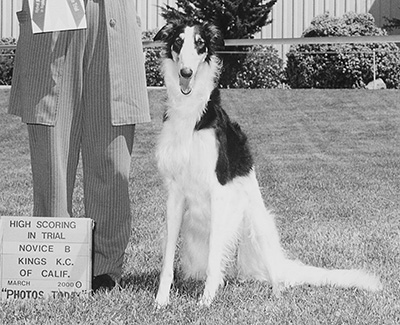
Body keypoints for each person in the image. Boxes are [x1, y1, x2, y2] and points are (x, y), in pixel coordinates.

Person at [8, 0, 150, 291]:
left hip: (112, 18)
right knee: (52, 155)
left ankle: (105, 269)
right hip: (52, 20)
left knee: (111, 155)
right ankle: (54, 259)